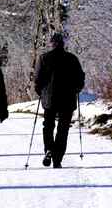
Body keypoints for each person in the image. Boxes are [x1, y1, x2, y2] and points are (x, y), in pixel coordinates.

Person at [35, 33, 85, 168]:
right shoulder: (72, 59)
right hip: (67, 99)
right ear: (63, 44)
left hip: (49, 99)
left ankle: (49, 149)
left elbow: (37, 80)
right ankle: (57, 158)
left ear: (51, 44)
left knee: (48, 126)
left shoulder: (43, 58)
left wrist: (41, 93)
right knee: (63, 129)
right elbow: (80, 79)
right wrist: (76, 90)